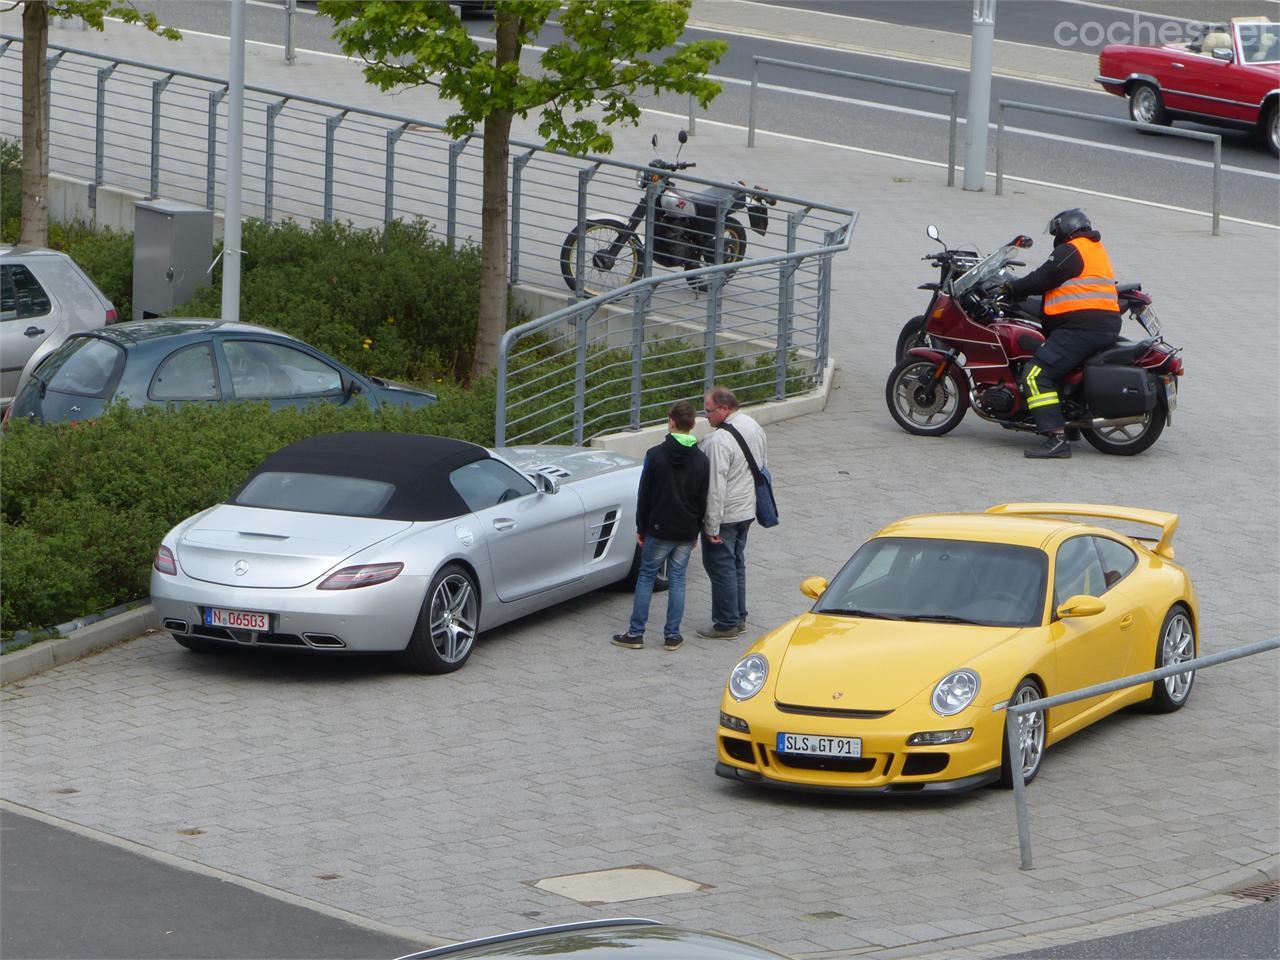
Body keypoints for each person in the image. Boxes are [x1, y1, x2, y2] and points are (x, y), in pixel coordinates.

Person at [1006, 208, 1122, 459]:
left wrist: (1011, 287)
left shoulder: (1071, 250)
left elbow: (1041, 278)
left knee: (1037, 375)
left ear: (1063, 230)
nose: (1055, 238)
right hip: (1100, 325)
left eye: (1056, 233)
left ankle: (1056, 437)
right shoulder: (1093, 248)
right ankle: (1070, 427)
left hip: (1081, 328)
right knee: (1060, 369)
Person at [612, 400, 710, 652]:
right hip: (686, 530)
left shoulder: (655, 455)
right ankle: (672, 636)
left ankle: (636, 633)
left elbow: (644, 494)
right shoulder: (701, 459)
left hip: (658, 527)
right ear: (692, 425)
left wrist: (641, 527)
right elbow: (702, 498)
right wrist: (696, 529)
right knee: (678, 579)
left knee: (646, 576)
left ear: (671, 422)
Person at [696, 386, 767, 639]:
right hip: (747, 509)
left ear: (724, 409)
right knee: (736, 563)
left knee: (720, 566)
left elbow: (715, 488)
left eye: (708, 411)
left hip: (726, 514)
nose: (706, 417)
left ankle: (726, 623)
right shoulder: (753, 425)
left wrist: (711, 526)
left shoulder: (719, 442)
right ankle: (739, 616)